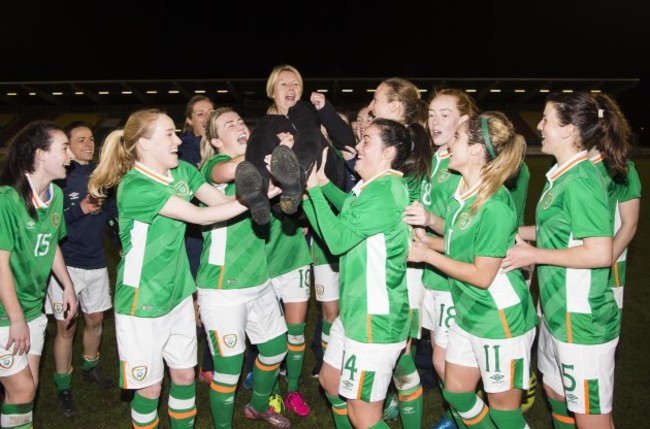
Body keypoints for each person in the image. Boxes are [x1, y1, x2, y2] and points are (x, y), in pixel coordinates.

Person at [87, 108, 266, 428]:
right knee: (151, 387)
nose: (177, 140)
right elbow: (198, 217)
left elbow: (217, 204)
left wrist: (268, 191)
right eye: (168, 134)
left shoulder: (183, 169)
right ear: (142, 144)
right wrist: (256, 201)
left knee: (184, 376)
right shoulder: (135, 186)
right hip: (142, 302)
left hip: (180, 294)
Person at [407, 111, 538, 429]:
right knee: (457, 392)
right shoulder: (462, 194)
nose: (449, 143)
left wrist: (425, 254)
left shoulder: (493, 205)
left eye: (457, 138)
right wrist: (422, 230)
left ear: (477, 151)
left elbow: (482, 275)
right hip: (469, 313)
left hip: (500, 321)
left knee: (505, 414)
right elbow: (453, 244)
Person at [503, 92, 620, 429]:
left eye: (546, 120)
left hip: (582, 321)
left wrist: (533, 254)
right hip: (556, 312)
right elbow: (557, 231)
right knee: (555, 393)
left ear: (569, 130)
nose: (538, 126)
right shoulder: (563, 174)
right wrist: (515, 234)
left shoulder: (581, 180)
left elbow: (601, 252)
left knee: (592, 418)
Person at [303, 117, 412, 429]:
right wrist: (322, 185)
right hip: (355, 313)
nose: (358, 146)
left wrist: (311, 193)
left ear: (388, 153)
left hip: (374, 321)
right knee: (330, 381)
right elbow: (350, 208)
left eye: (367, 141)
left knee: (363, 417)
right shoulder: (373, 186)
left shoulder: (383, 192)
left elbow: (337, 240)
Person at [196, 107, 291, 429]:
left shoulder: (258, 168)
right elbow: (232, 171)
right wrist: (273, 149)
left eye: (240, 120)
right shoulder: (213, 167)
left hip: (258, 281)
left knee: (276, 348)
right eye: (228, 124)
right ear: (215, 140)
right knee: (228, 370)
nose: (239, 125)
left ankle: (259, 406)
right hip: (223, 289)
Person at [406, 87, 480, 429]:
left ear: (464, 120)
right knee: (440, 360)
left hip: (453, 275)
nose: (435, 122)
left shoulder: (464, 165)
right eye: (432, 113)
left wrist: (428, 229)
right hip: (432, 273)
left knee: (448, 364)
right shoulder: (438, 157)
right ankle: (462, 414)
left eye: (445, 115)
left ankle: (471, 417)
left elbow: (463, 232)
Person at [0, 121, 78, 429]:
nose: (69, 155)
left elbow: (51, 244)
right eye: (63, 148)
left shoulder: (55, 195)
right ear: (40, 155)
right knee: (22, 388)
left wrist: (67, 286)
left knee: (23, 392)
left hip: (33, 308)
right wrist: (16, 318)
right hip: (6, 315)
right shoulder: (7, 200)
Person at [368, 77, 432, 428]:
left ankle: (408, 414)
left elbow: (396, 201)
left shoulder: (405, 142)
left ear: (395, 106)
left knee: (401, 349)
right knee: (399, 349)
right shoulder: (413, 138)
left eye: (377, 99)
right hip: (401, 258)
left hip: (404, 261)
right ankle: (400, 404)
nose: (372, 104)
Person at [44, 121, 118, 419]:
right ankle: (63, 387)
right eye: (80, 140)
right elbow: (50, 224)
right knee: (66, 326)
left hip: (97, 260)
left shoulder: (102, 174)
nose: (88, 144)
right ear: (67, 146)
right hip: (66, 264)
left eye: (91, 139)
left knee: (96, 319)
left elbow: (112, 212)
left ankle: (90, 366)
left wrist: (119, 237)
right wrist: (80, 209)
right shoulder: (60, 178)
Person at [234, 64, 353, 225]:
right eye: (283, 84)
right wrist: (279, 147)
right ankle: (257, 192)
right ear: (272, 92)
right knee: (261, 133)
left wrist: (324, 109)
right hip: (289, 200)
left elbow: (348, 143)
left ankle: (296, 173)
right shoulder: (267, 125)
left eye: (296, 84)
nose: (291, 88)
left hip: (327, 179)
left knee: (307, 123)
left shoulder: (310, 113)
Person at [587, 93, 640, 311]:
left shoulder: (620, 169)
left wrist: (606, 262)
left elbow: (629, 224)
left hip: (606, 267)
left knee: (598, 333)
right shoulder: (568, 164)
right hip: (569, 262)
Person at [178, 95, 217, 384]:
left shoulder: (223, 145)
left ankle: (210, 364)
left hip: (218, 233)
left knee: (215, 300)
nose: (206, 117)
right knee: (191, 304)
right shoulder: (180, 151)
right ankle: (185, 362)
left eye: (210, 112)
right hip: (191, 238)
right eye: (200, 113)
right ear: (190, 120)